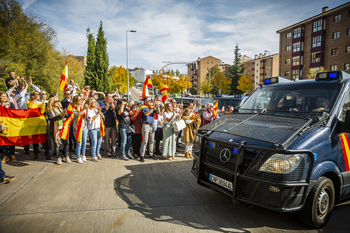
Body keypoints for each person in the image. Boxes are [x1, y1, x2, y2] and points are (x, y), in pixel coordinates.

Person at [46, 97, 68, 165]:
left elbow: (65, 116)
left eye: (58, 101)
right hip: (55, 129)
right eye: (56, 101)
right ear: (52, 103)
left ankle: (66, 156)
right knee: (57, 144)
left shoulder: (60, 108)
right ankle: (58, 158)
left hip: (62, 128)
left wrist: (65, 114)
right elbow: (52, 119)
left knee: (66, 142)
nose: (58, 102)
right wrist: (60, 115)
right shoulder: (49, 110)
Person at [26, 91, 47, 160]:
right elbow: (31, 107)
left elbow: (42, 112)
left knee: (44, 139)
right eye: (36, 94)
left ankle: (47, 154)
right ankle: (35, 154)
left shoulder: (41, 103)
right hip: (33, 123)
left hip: (41, 122)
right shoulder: (28, 102)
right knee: (34, 139)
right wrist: (37, 102)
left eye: (38, 94)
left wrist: (43, 105)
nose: (38, 95)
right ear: (32, 96)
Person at [139, 96, 159, 162]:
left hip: (152, 125)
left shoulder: (151, 107)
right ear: (145, 101)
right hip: (146, 125)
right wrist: (153, 108)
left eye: (150, 100)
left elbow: (157, 112)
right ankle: (142, 155)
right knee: (145, 140)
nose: (149, 102)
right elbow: (146, 114)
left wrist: (157, 106)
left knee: (152, 140)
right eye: (148, 100)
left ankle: (151, 154)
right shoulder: (143, 107)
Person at [0, 91, 16, 162]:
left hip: (9, 124)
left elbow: (15, 114)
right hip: (1, 125)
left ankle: (12, 154)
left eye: (5, 96)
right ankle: (5, 155)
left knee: (11, 139)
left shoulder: (10, 104)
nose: (4, 98)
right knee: (3, 140)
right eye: (2, 96)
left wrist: (8, 109)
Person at [100, 93, 117, 158]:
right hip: (106, 124)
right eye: (109, 96)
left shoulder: (114, 103)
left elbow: (114, 109)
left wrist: (111, 103)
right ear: (106, 97)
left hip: (113, 124)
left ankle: (113, 152)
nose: (110, 98)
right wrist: (109, 104)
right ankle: (108, 152)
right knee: (106, 140)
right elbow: (104, 110)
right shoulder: (102, 103)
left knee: (113, 139)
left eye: (111, 96)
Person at [72, 95, 88, 163]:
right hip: (77, 128)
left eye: (81, 99)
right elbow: (77, 115)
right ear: (76, 101)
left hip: (84, 127)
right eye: (79, 99)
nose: (81, 100)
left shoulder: (81, 106)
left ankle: (83, 155)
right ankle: (78, 157)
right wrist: (83, 109)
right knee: (79, 143)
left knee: (84, 142)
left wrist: (86, 110)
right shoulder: (73, 108)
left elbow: (85, 116)